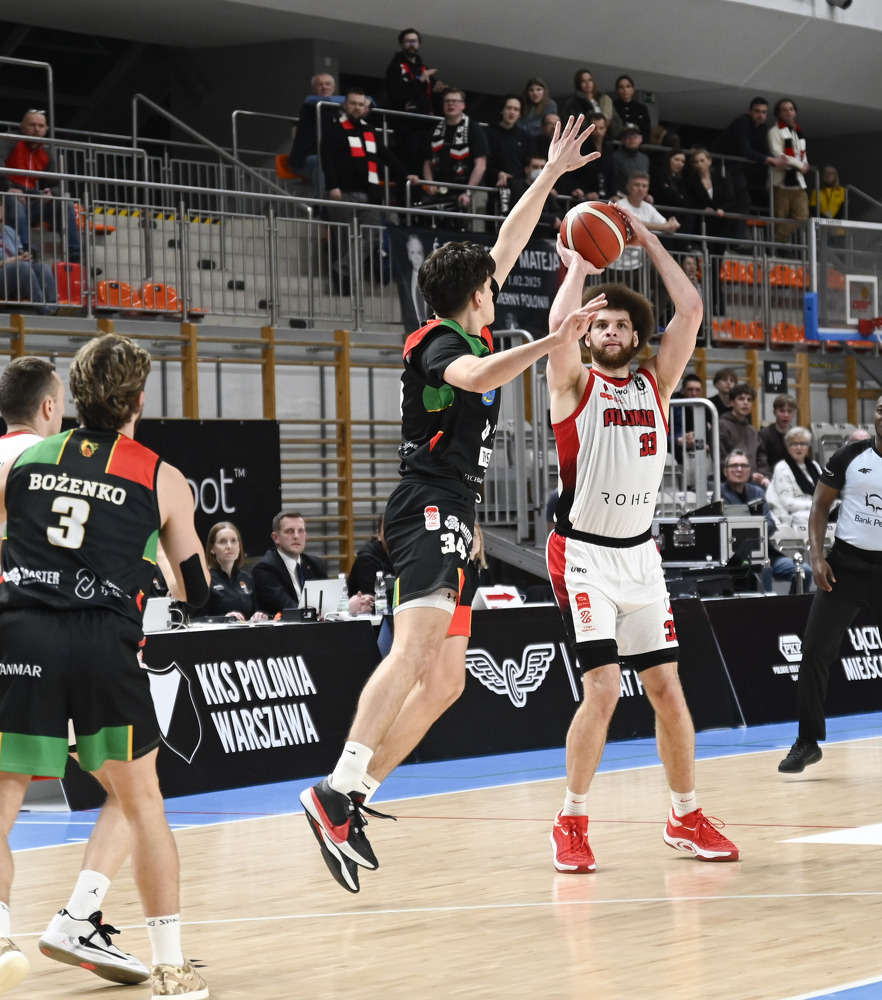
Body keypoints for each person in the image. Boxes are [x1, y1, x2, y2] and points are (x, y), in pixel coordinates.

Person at [298, 116, 605, 895]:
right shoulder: (438, 342)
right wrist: (551, 341)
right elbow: (473, 379)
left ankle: (352, 798)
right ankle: (335, 784)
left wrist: (549, 176)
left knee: (445, 683)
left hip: (452, 513)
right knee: (412, 653)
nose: (497, 286)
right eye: (491, 287)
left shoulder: (469, 321)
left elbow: (507, 239)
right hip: (427, 505)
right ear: (475, 297)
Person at [0, 333, 211, 999]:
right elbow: (197, 590)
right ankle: (170, 967)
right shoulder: (160, 475)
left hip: (25, 635)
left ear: (73, 397)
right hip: (104, 640)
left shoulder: (30, 457)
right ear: (138, 400)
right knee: (141, 801)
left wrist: (17, 533)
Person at [0, 356, 149, 986]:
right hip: (30, 638)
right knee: (133, 790)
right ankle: (79, 916)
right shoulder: (47, 462)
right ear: (48, 407)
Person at [544, 221, 737, 872]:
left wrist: (648, 242)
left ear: (635, 336)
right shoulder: (572, 386)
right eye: (600, 324)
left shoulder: (656, 383)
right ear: (588, 334)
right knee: (602, 690)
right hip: (583, 555)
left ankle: (685, 815)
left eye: (621, 325)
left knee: (667, 691)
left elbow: (691, 309)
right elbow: (558, 329)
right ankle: (571, 820)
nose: (610, 332)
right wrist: (578, 266)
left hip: (640, 558)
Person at [777, 391, 882, 778]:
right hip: (845, 567)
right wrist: (817, 556)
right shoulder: (848, 456)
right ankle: (807, 741)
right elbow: (819, 507)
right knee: (814, 651)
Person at [0, 110, 82, 264]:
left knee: (65, 204)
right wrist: (8, 187)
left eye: (40, 126)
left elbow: (59, 183)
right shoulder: (10, 141)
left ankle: (75, 256)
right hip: (5, 201)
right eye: (32, 125)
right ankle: (26, 250)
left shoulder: (46, 152)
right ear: (22, 127)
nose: (36, 129)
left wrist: (51, 192)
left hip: (31, 202)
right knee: (14, 199)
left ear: (46, 130)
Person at [0, 196, 59, 315]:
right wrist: (10, 261)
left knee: (42, 268)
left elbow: (19, 253)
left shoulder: (10, 231)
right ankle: (44, 311)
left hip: (17, 277)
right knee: (21, 267)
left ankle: (54, 308)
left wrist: (25, 257)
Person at [721, 450, 797, 587]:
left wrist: (752, 529)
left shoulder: (757, 492)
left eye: (744, 466)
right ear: (725, 471)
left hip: (767, 552)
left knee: (803, 571)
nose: (739, 469)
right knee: (763, 570)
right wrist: (757, 526)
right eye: (734, 466)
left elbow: (771, 524)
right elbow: (731, 530)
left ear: (750, 470)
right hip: (736, 558)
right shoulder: (720, 494)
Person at [421, 89, 489, 228]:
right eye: (447, 101)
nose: (451, 104)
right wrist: (430, 183)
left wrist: (468, 192)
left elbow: (481, 165)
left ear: (463, 105)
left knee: (475, 216)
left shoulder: (474, 129)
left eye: (455, 101)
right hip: (442, 190)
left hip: (471, 188)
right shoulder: (434, 131)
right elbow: (427, 163)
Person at [252, 511, 329, 614]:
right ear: (276, 538)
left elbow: (328, 601)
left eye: (301, 531)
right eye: (290, 531)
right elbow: (288, 607)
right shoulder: (264, 569)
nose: (296, 536)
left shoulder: (314, 564)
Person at [713, 97, 778, 211]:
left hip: (736, 165)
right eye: (757, 111)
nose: (761, 115)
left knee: (744, 198)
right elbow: (746, 150)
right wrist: (770, 159)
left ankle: (741, 221)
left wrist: (777, 159)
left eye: (764, 112)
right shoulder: (742, 122)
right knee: (729, 195)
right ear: (750, 112)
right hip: (722, 162)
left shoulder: (763, 127)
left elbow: (764, 150)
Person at [286, 72, 343, 196]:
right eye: (320, 84)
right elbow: (326, 100)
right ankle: (320, 204)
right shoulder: (310, 102)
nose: (324, 87)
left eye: (328, 84)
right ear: (313, 88)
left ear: (333, 87)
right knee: (320, 162)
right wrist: (356, 100)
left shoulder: (338, 109)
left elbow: (372, 103)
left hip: (331, 159)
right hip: (303, 160)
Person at [200, 521, 265, 620]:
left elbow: (252, 613)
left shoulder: (246, 578)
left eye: (234, 541)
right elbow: (195, 620)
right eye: (222, 541)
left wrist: (258, 616)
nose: (229, 546)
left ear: (239, 547)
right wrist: (224, 619)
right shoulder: (205, 579)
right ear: (212, 549)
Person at [767, 98, 809, 243]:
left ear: (795, 112)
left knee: (802, 217)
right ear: (779, 114)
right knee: (780, 218)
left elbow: (801, 152)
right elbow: (778, 154)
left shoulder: (797, 130)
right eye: (784, 110)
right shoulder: (774, 131)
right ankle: (779, 246)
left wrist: (805, 163)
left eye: (791, 109)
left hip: (798, 182)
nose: (788, 112)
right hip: (781, 182)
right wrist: (799, 164)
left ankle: (777, 240)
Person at [683, 147, 747, 242]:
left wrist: (722, 209)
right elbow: (689, 201)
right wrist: (703, 209)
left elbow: (730, 199)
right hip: (700, 221)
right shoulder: (690, 182)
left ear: (709, 161)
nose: (699, 164)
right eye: (696, 162)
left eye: (702, 161)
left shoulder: (721, 179)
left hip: (720, 221)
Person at [766, 426, 822, 533]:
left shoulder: (814, 465)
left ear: (808, 447)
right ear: (788, 447)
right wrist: (817, 505)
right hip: (795, 513)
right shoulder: (782, 468)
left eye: (803, 443)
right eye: (794, 444)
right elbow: (788, 503)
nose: (799, 447)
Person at [385, 28, 445, 117]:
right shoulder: (395, 67)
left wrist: (437, 91)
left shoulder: (424, 69)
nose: (411, 45)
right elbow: (395, 96)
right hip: (404, 118)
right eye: (408, 42)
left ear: (419, 44)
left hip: (426, 118)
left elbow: (431, 98)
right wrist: (419, 81)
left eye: (414, 41)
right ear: (401, 44)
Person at [487, 95, 533, 213]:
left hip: (519, 189)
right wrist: (498, 173)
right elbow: (485, 162)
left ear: (520, 114)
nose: (512, 112)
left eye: (516, 109)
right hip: (494, 186)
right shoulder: (489, 132)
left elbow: (528, 163)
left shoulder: (525, 136)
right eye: (508, 108)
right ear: (502, 110)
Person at [718, 385, 769, 486]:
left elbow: (761, 456)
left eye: (749, 400)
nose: (746, 403)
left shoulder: (752, 430)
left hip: (754, 483)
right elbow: (722, 459)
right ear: (732, 402)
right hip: (731, 484)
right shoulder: (722, 425)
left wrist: (762, 474)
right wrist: (748, 475)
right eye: (741, 399)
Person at [670, 371, 712, 460]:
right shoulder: (673, 405)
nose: (694, 393)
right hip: (674, 450)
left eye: (697, 390)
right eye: (690, 389)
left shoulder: (705, 407)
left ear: (702, 391)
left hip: (697, 450)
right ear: (682, 391)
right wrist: (680, 439)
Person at [757, 394, 797, 474]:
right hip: (771, 476)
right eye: (782, 411)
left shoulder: (797, 435)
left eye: (789, 411)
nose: (786, 415)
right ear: (775, 412)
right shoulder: (765, 435)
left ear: (794, 414)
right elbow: (762, 462)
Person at [611, 124, 650, 195]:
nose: (632, 138)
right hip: (621, 197)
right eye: (628, 135)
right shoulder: (615, 156)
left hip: (640, 197)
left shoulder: (645, 158)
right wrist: (617, 194)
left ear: (641, 138)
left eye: (635, 135)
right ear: (622, 139)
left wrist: (646, 195)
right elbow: (611, 181)